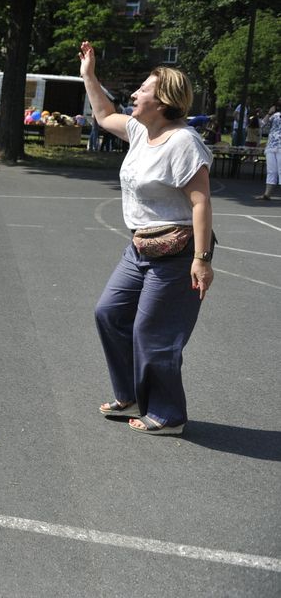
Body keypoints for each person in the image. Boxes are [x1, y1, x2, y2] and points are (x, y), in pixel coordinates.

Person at [80, 41, 214, 436]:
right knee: (110, 314)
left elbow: (201, 201)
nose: (135, 94)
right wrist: (89, 74)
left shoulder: (182, 142)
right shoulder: (140, 130)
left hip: (178, 252)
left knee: (153, 333)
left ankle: (169, 415)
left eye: (143, 90)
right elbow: (104, 115)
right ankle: (133, 394)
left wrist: (202, 259)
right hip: (140, 246)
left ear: (163, 101)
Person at [256, 102, 280, 200]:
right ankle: (267, 194)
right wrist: (269, 113)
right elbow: (261, 124)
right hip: (271, 145)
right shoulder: (274, 115)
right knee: (271, 171)